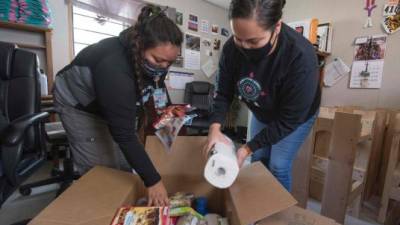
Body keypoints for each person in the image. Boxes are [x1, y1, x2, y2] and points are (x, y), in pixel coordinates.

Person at [53, 5, 183, 206]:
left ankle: (121, 206)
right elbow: (123, 134)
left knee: (123, 164)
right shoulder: (114, 67)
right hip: (78, 103)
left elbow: (156, 88)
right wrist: (153, 180)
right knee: (102, 171)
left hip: (111, 100)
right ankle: (101, 208)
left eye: (170, 62)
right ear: (140, 45)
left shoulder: (157, 61)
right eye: (159, 60)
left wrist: (166, 112)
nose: (164, 67)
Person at [204, 0, 321, 191]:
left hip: (294, 117)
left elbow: (288, 121)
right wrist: (214, 128)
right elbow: (223, 92)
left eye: (253, 41)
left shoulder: (300, 56)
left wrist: (247, 148)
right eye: (238, 38)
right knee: (258, 159)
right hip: (262, 109)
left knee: (278, 165)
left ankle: (277, 216)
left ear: (277, 26)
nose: (243, 47)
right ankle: (259, 203)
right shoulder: (231, 50)